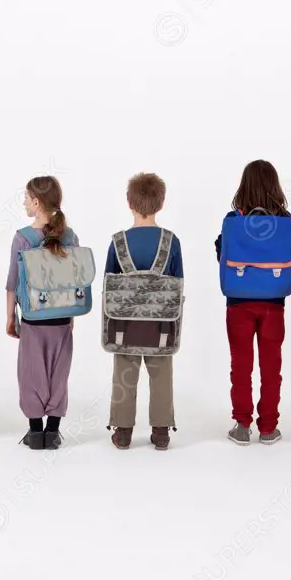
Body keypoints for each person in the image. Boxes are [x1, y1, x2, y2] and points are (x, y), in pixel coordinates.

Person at [215, 159, 291, 445]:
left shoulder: (233, 219)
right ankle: (269, 427)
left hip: (238, 302)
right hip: (274, 302)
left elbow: (220, 251)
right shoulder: (285, 220)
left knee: (241, 365)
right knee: (272, 366)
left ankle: (242, 425)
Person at [106, 172, 183, 451]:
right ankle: (161, 433)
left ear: (129, 202)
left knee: (124, 373)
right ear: (161, 204)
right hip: (162, 325)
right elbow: (177, 284)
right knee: (162, 373)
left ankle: (123, 432)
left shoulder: (118, 242)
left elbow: (109, 286)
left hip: (124, 324)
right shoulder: (171, 242)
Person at [5, 176, 78, 451]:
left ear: (36, 203)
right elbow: (75, 280)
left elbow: (12, 282)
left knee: (32, 373)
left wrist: (11, 316)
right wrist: (71, 316)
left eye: (26, 197)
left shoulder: (23, 238)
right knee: (58, 373)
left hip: (33, 318)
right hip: (62, 317)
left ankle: (35, 433)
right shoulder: (70, 236)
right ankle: (54, 432)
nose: (23, 201)